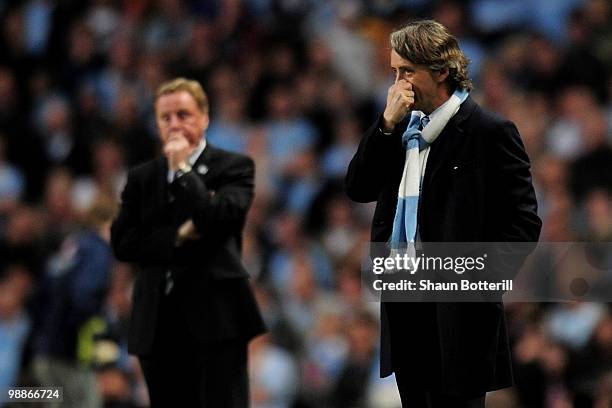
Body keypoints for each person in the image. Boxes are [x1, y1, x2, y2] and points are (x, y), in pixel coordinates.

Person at [345, 20, 542, 408]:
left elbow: (524, 222)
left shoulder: (489, 131)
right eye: (394, 72)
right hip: (405, 307)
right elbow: (358, 188)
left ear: (441, 72)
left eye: (407, 72)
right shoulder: (399, 131)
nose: (398, 85)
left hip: (460, 317)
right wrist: (384, 126)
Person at [111, 77, 266, 407]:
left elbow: (218, 221)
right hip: (156, 320)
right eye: (165, 118)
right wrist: (178, 236)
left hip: (217, 320)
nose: (174, 124)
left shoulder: (234, 167)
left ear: (205, 117)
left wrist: (183, 170)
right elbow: (123, 242)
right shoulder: (143, 178)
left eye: (183, 114)